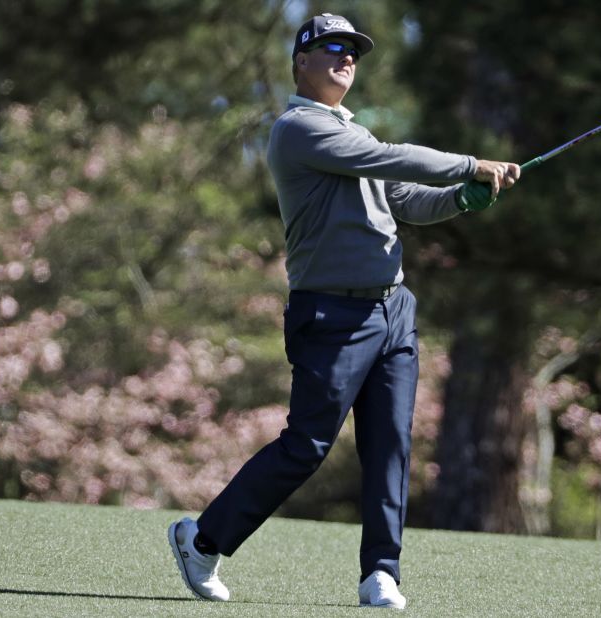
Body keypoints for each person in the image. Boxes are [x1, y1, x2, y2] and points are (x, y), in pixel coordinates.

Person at [167, 12, 519, 609]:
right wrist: (468, 163)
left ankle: (381, 572)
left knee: (390, 447)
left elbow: (408, 199)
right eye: (330, 47)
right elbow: (393, 159)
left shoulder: (357, 138)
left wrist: (462, 197)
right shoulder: (299, 129)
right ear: (300, 62)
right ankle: (202, 541)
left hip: (393, 312)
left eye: (352, 50)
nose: (345, 57)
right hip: (331, 316)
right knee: (306, 445)